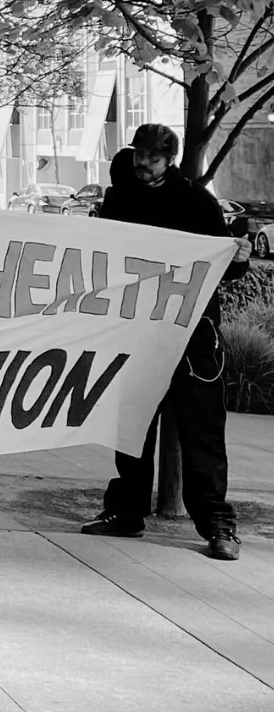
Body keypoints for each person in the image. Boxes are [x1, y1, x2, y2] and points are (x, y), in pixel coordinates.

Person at [80, 123, 251, 561]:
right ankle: (126, 513)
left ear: (169, 159)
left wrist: (239, 259)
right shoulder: (121, 196)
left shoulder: (197, 201)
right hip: (137, 330)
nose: (143, 164)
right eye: (139, 155)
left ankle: (217, 524)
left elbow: (225, 266)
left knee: (202, 431)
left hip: (192, 336)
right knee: (131, 425)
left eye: (152, 158)